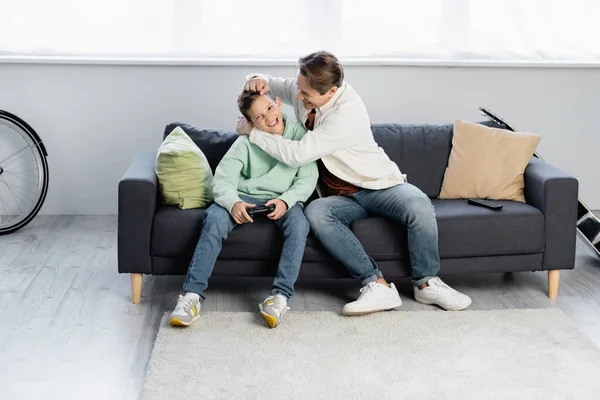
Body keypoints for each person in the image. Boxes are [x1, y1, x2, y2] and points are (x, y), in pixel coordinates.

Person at [238, 51, 472, 315]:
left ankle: (427, 282)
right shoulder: (307, 87)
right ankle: (377, 285)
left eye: (305, 95)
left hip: (376, 185)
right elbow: (267, 82)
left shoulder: (346, 112)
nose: (298, 98)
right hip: (342, 197)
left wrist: (255, 133)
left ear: (331, 92)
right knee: (316, 212)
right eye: (299, 89)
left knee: (419, 204)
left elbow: (297, 154)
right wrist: (255, 79)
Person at [170, 90, 318, 328]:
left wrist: (286, 201)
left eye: (270, 108)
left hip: (283, 198)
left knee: (300, 224)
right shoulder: (245, 141)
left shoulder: (302, 137)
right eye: (259, 117)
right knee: (214, 218)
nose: (269, 118)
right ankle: (192, 296)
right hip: (244, 195)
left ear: (278, 103)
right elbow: (222, 180)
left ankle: (279, 297)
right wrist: (233, 202)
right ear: (250, 123)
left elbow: (307, 180)